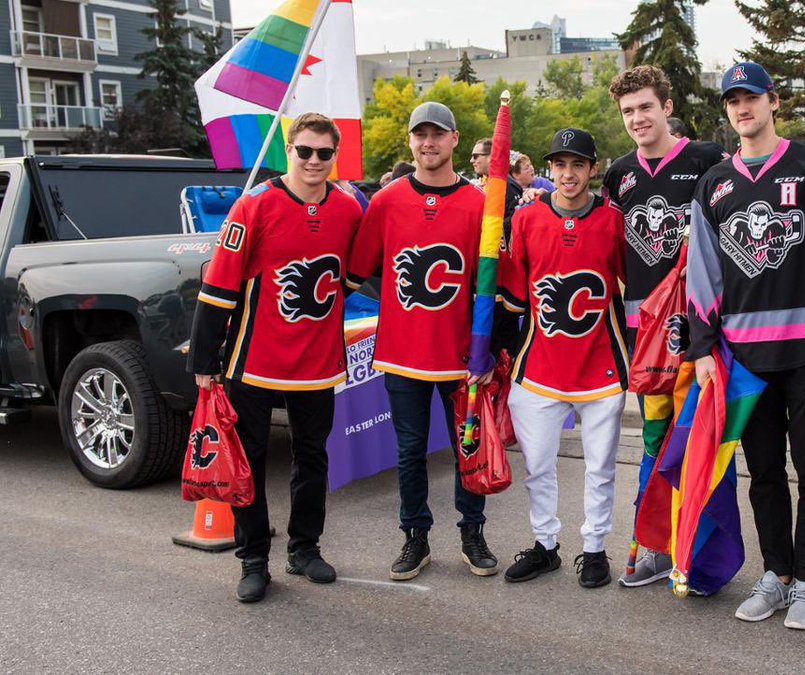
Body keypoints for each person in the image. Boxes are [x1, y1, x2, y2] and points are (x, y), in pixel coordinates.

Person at [687, 62, 805, 630]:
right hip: (746, 358)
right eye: (732, 100)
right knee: (765, 473)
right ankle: (777, 574)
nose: (741, 108)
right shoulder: (715, 184)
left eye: (750, 97)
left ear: (773, 101)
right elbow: (701, 274)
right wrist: (703, 347)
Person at [188, 112, 362, 603]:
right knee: (251, 462)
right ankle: (253, 560)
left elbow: (354, 273)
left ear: (334, 156)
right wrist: (204, 361)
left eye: (323, 153)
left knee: (312, 458)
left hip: (317, 363)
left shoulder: (349, 210)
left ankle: (305, 549)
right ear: (288, 150)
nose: (312, 161)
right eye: (303, 151)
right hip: (254, 361)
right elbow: (219, 286)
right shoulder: (254, 205)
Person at [346, 102, 499, 582]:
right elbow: (353, 273)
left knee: (466, 450)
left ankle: (472, 531)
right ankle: (415, 535)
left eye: (437, 134)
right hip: (403, 352)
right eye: (420, 135)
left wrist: (490, 350)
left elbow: (491, 285)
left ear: (455, 139)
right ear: (410, 141)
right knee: (409, 451)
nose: (428, 143)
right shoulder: (388, 200)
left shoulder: (479, 204)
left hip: (460, 358)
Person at [601, 64, 726, 588]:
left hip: (701, 327)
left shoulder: (706, 159)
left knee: (702, 439)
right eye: (628, 111)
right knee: (654, 437)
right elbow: (609, 251)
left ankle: (697, 547)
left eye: (645, 107)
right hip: (644, 332)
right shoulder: (618, 175)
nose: (637, 119)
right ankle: (653, 544)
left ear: (667, 108)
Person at [500, 128, 627, 589]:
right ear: (549, 169)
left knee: (601, 467)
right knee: (537, 465)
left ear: (593, 169)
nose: (568, 174)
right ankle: (545, 545)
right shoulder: (527, 218)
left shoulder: (615, 220)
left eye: (577, 165)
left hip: (600, 365)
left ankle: (594, 548)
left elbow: (630, 291)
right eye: (559, 165)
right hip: (539, 366)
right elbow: (514, 296)